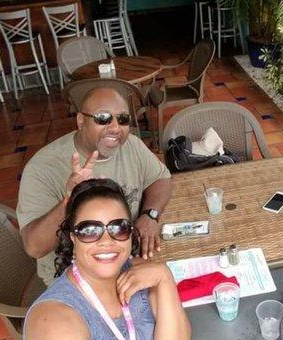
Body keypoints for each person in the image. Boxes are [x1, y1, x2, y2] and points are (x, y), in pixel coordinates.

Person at [23, 178, 191, 340]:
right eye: (89, 230)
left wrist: (164, 276)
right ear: (73, 237)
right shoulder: (54, 323)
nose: (106, 240)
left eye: (118, 227)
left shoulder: (140, 274)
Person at [17, 87, 172, 285]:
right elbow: (34, 246)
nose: (115, 127)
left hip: (126, 258)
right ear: (81, 121)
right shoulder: (42, 168)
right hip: (74, 278)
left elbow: (161, 179)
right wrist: (69, 200)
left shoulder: (131, 145)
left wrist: (149, 215)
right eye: (103, 118)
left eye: (123, 119)